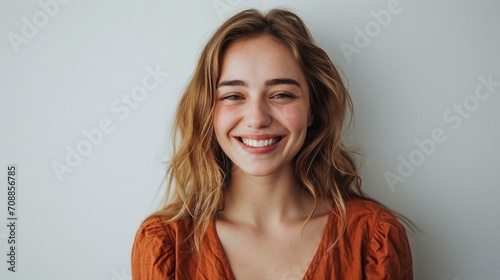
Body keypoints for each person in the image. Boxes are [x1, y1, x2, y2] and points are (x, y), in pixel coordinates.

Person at [131, 8, 413, 280]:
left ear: (313, 108)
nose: (257, 118)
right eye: (233, 96)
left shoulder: (374, 240)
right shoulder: (165, 245)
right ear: (207, 111)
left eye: (281, 95)